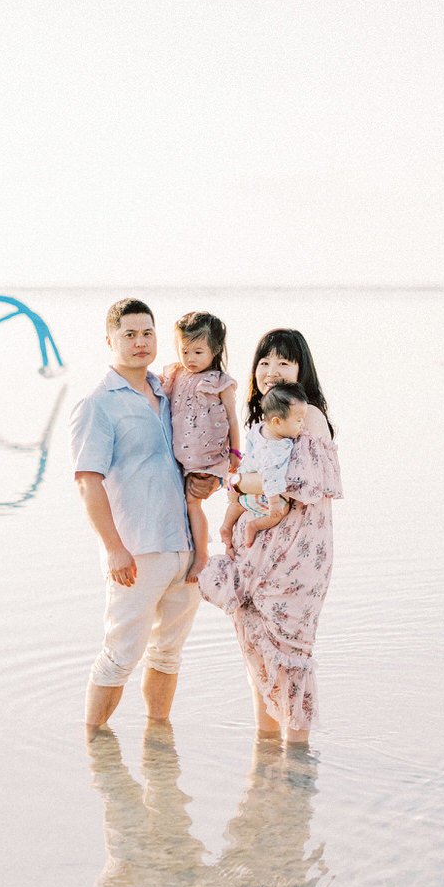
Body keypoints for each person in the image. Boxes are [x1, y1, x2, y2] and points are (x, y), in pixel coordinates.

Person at [198, 329, 342, 745]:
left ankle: (297, 767)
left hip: (298, 556)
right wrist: (239, 492)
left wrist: (240, 484)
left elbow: (302, 480)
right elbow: (254, 482)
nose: (271, 371)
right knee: (257, 652)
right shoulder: (265, 423)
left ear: (301, 370)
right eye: (264, 362)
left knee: (292, 653)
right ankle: (264, 765)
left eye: (283, 362)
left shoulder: (307, 415)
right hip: (257, 552)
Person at [70, 299, 199, 735]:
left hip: (184, 547)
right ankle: (95, 752)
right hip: (136, 551)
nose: (140, 342)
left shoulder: (169, 391)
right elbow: (88, 483)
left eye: (147, 333)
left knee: (168, 652)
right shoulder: (97, 404)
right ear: (111, 340)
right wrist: (113, 549)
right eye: (130, 334)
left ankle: (159, 748)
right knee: (120, 654)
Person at [159, 312, 241, 579]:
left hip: (208, 456)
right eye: (185, 351)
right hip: (183, 456)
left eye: (198, 351)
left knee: (193, 503)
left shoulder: (219, 382)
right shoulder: (176, 374)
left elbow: (232, 418)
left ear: (215, 350)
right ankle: (184, 551)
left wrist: (235, 453)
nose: (190, 359)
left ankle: (202, 555)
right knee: (183, 502)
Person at [219, 381, 309, 555]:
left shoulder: (257, 429)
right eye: (299, 420)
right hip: (261, 492)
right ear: (277, 421)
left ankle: (226, 525)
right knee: (282, 511)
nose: (302, 425)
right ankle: (254, 526)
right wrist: (274, 502)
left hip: (243, 481)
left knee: (237, 505)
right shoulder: (279, 447)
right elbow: (269, 475)